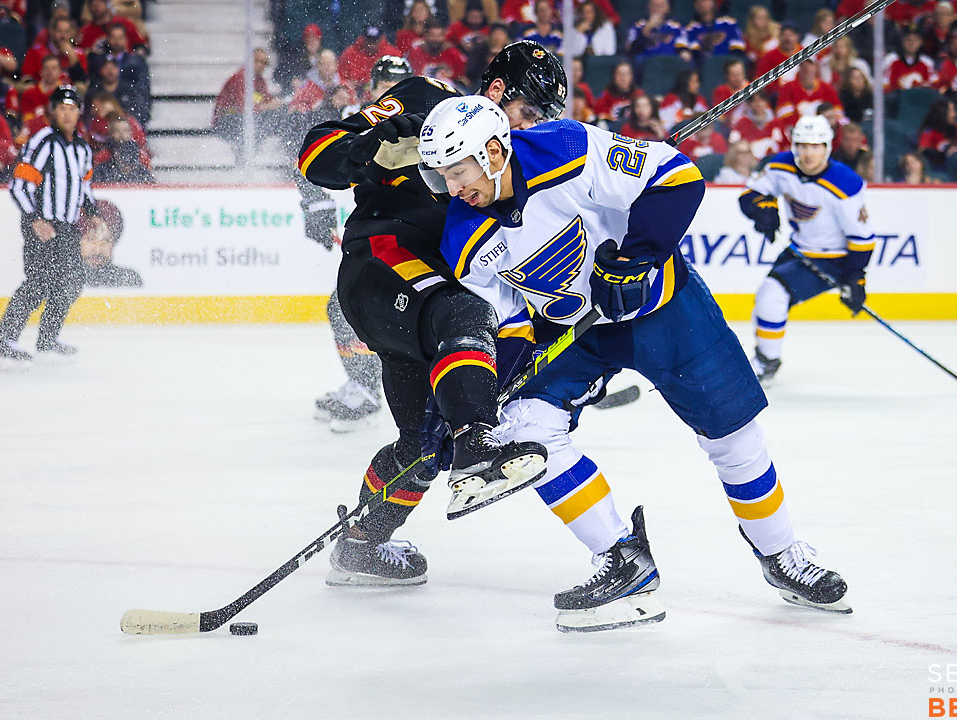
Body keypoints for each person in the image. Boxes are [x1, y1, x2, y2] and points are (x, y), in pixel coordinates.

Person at [423, 95, 852, 633]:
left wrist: (634, 258)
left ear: (492, 152)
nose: (452, 188)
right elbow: (509, 326)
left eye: (458, 172)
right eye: (441, 177)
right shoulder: (463, 236)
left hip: (664, 308)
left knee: (734, 438)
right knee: (526, 427)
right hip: (576, 332)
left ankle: (782, 554)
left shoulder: (565, 148)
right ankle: (623, 559)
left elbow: (677, 177)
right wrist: (479, 410)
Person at [298, 41, 566, 586]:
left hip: (433, 312)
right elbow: (316, 154)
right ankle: (478, 446)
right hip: (382, 261)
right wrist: (383, 141)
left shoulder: (517, 162)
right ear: (497, 92)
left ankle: (360, 546)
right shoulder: (431, 99)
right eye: (529, 113)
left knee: (422, 444)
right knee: (466, 314)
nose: (532, 128)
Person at [311, 57, 415, 434]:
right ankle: (367, 386)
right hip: (374, 233)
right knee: (344, 307)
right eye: (383, 82)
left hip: (408, 236)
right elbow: (311, 161)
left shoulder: (421, 121)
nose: (389, 89)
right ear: (371, 87)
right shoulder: (360, 120)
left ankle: (374, 390)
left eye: (397, 83)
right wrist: (316, 206)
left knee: (356, 307)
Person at [739, 115, 875, 386]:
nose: (807, 153)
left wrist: (855, 277)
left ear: (827, 147)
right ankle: (765, 355)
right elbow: (749, 195)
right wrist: (764, 209)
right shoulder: (781, 166)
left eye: (815, 146)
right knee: (766, 304)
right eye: (801, 145)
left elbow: (862, 239)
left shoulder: (845, 183)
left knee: (771, 296)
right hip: (799, 249)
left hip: (834, 259)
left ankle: (767, 362)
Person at [0, 86, 95, 370]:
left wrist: (94, 213)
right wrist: (36, 219)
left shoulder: (82, 148)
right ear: (53, 111)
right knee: (39, 284)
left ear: (78, 112)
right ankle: (5, 346)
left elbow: (83, 187)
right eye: (61, 108)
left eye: (72, 108)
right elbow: (19, 185)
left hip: (67, 229)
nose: (67, 113)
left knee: (71, 283)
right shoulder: (42, 142)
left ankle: (47, 341)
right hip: (42, 226)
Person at [212, 48, 286, 166]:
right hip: (226, 120)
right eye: (257, 61)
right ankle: (244, 157)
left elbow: (266, 99)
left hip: (243, 120)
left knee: (275, 118)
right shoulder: (240, 78)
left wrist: (277, 103)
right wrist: (266, 107)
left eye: (264, 63)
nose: (261, 65)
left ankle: (250, 155)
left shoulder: (260, 81)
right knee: (257, 123)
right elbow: (243, 107)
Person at [77, 198, 143, 287]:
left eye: (106, 241)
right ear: (78, 240)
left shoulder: (127, 280)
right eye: (91, 239)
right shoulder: (64, 279)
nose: (97, 249)